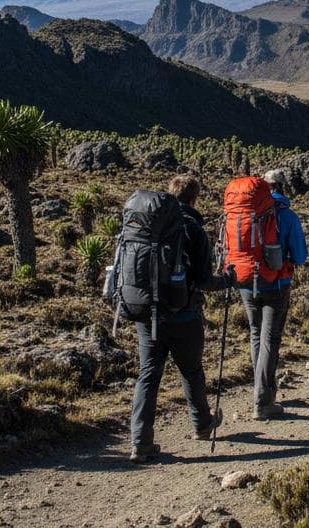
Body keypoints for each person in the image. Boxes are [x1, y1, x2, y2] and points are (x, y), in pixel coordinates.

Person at [127, 175, 231, 463]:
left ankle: (140, 442)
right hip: (183, 314)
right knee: (191, 370)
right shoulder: (193, 229)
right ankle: (201, 424)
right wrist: (228, 280)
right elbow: (202, 280)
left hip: (147, 313)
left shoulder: (151, 224)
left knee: (148, 374)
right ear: (194, 198)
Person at [238, 170, 307, 421]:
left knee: (256, 336)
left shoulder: (247, 211)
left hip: (246, 282)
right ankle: (263, 400)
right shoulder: (286, 216)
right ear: (283, 187)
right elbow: (300, 256)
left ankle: (263, 392)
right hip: (276, 284)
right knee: (269, 338)